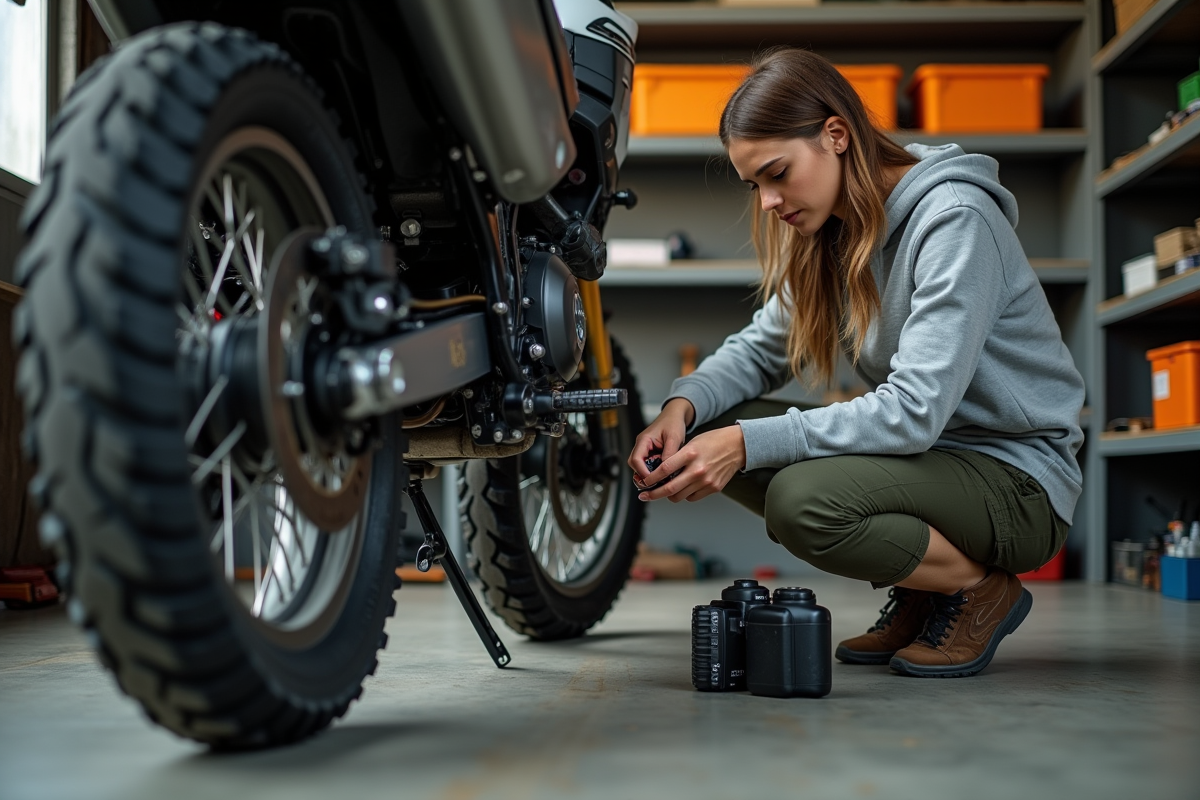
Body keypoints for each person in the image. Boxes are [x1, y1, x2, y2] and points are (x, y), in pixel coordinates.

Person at [628, 49, 1085, 678]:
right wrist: (680, 408)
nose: (767, 202)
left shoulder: (953, 219)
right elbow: (760, 349)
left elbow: (915, 412)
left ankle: (975, 588)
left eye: (778, 173)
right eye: (754, 184)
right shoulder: (834, 230)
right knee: (711, 426)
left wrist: (747, 443)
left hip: (1017, 482)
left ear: (836, 135)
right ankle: (926, 588)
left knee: (801, 502)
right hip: (933, 465)